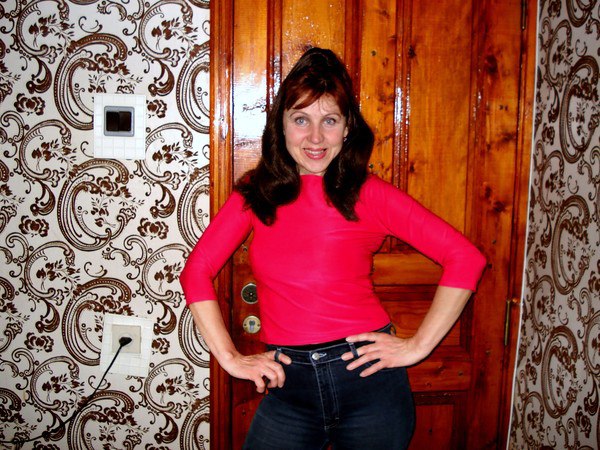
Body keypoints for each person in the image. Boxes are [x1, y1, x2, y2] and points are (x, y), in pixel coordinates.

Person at [180, 47, 486, 449]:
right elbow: (196, 272)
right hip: (288, 388)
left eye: (330, 120)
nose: (315, 138)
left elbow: (466, 258)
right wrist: (231, 358)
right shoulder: (256, 194)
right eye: (301, 119)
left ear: (347, 128)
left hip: (369, 386)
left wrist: (417, 347)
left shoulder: (369, 194)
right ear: (281, 125)